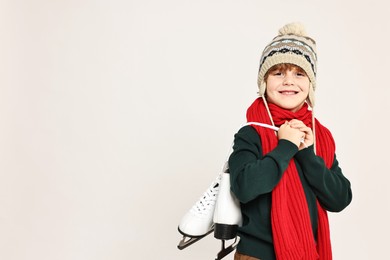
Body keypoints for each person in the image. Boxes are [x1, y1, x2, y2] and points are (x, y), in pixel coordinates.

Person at [228, 22, 352, 260]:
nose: (288, 81)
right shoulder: (252, 132)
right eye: (278, 72)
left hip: (309, 251)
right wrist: (286, 146)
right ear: (264, 82)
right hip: (256, 256)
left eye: (299, 73)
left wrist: (306, 153)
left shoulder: (320, 135)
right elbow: (244, 187)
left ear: (310, 84)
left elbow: (339, 198)